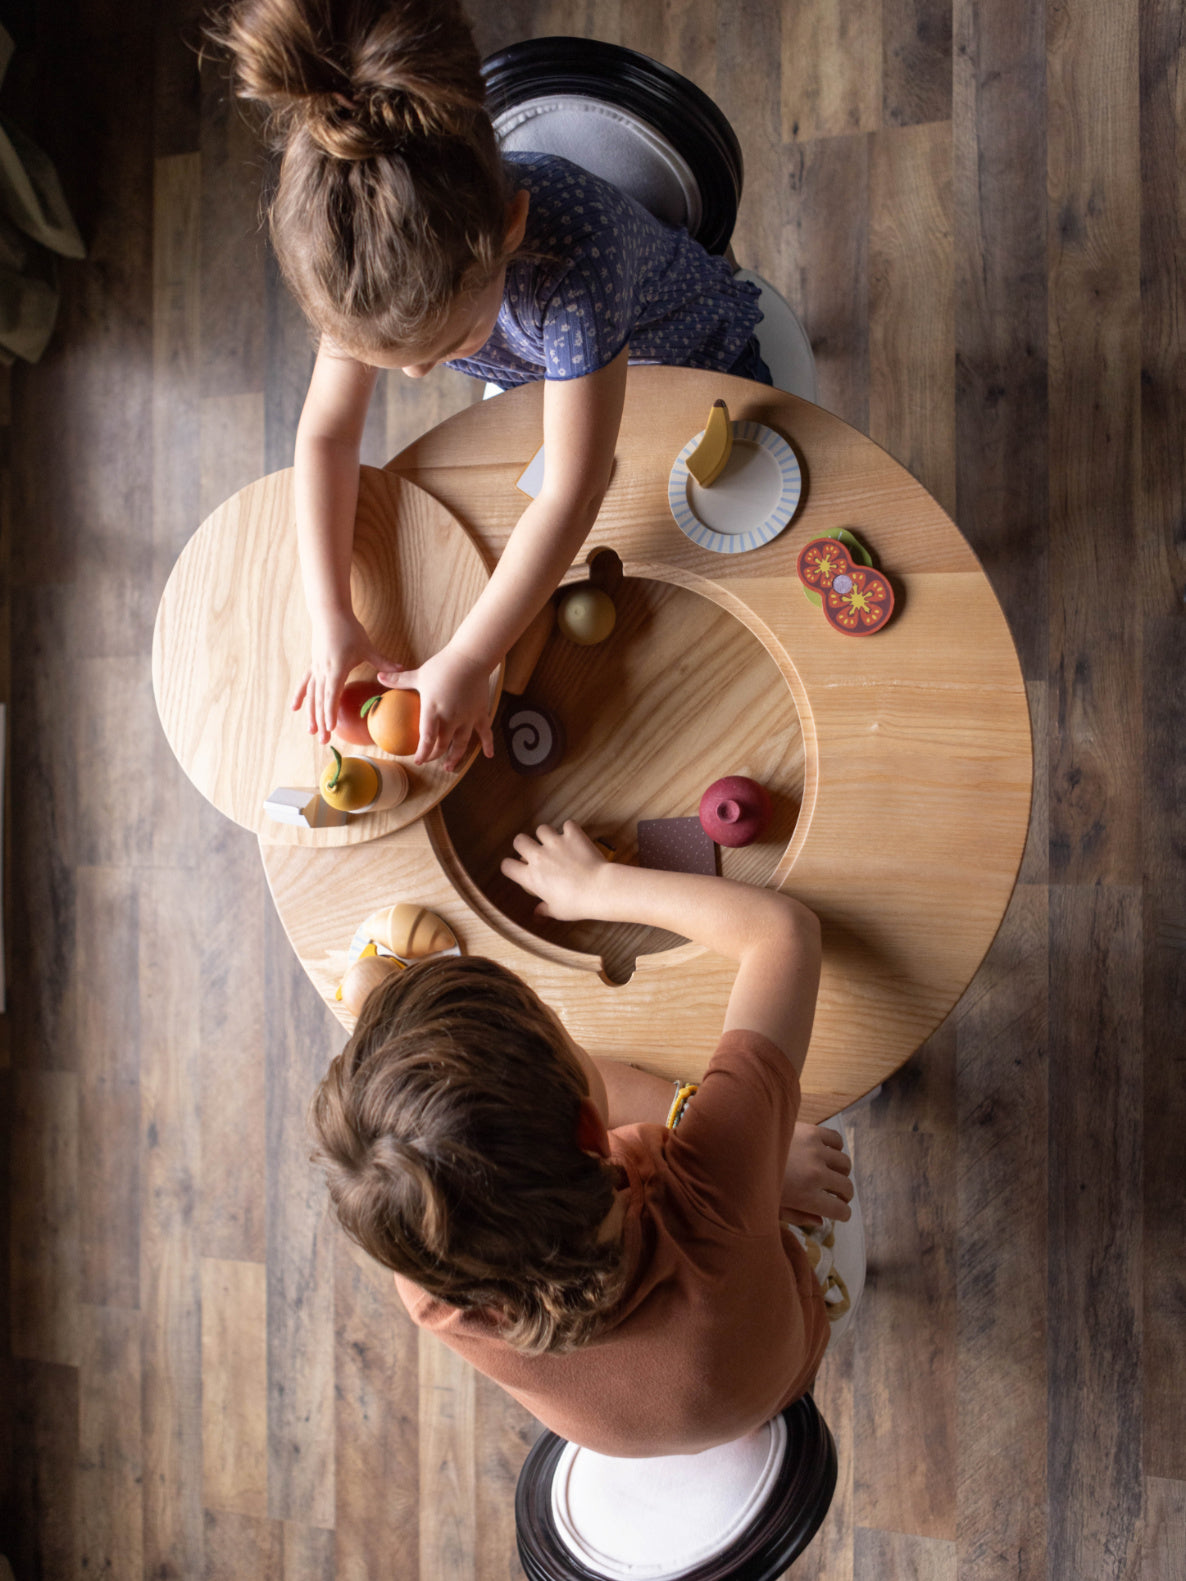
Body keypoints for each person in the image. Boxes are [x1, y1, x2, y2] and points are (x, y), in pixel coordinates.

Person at [216, 0, 771, 770]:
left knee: (742, 519)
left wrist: (473, 656)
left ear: (512, 229)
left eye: (445, 347)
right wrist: (331, 614)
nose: (415, 374)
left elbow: (576, 492)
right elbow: (326, 435)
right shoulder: (367, 266)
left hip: (687, 357)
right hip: (555, 377)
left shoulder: (580, 258)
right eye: (393, 362)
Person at [310, 822, 855, 1457]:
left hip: (667, 1416)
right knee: (814, 1140)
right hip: (788, 1346)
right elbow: (784, 934)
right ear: (594, 1133)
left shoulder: (431, 1268)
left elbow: (446, 1148)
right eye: (559, 1027)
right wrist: (597, 885)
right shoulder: (710, 1194)